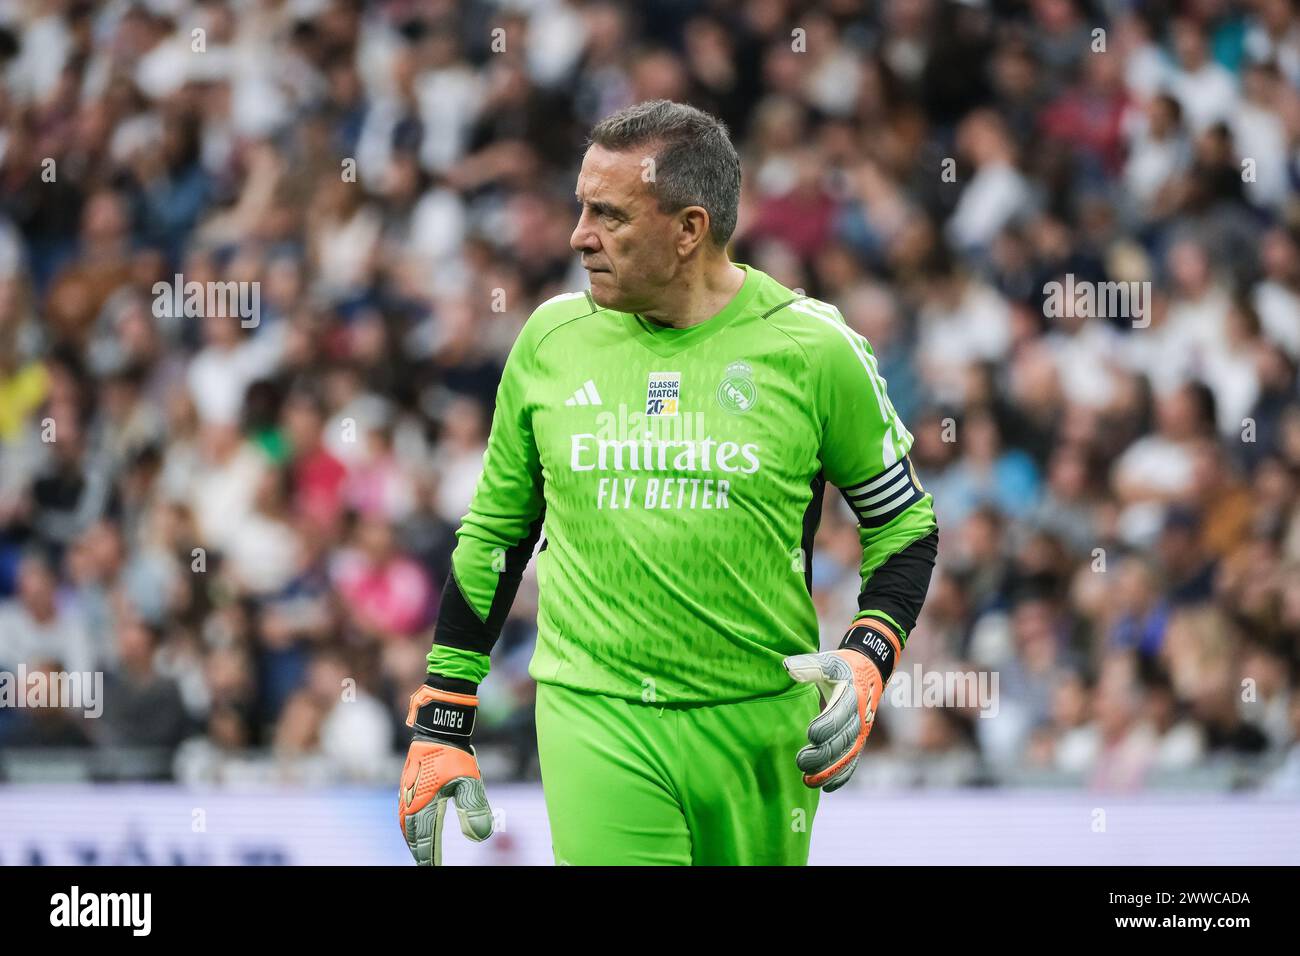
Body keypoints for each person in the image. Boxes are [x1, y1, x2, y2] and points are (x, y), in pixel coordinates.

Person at [397, 100, 938, 866]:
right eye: (580, 207)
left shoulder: (814, 349)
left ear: (689, 229)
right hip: (597, 712)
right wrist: (443, 713)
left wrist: (869, 651)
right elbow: (497, 536)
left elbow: (905, 525)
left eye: (608, 215)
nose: (578, 235)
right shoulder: (550, 340)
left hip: (760, 730)